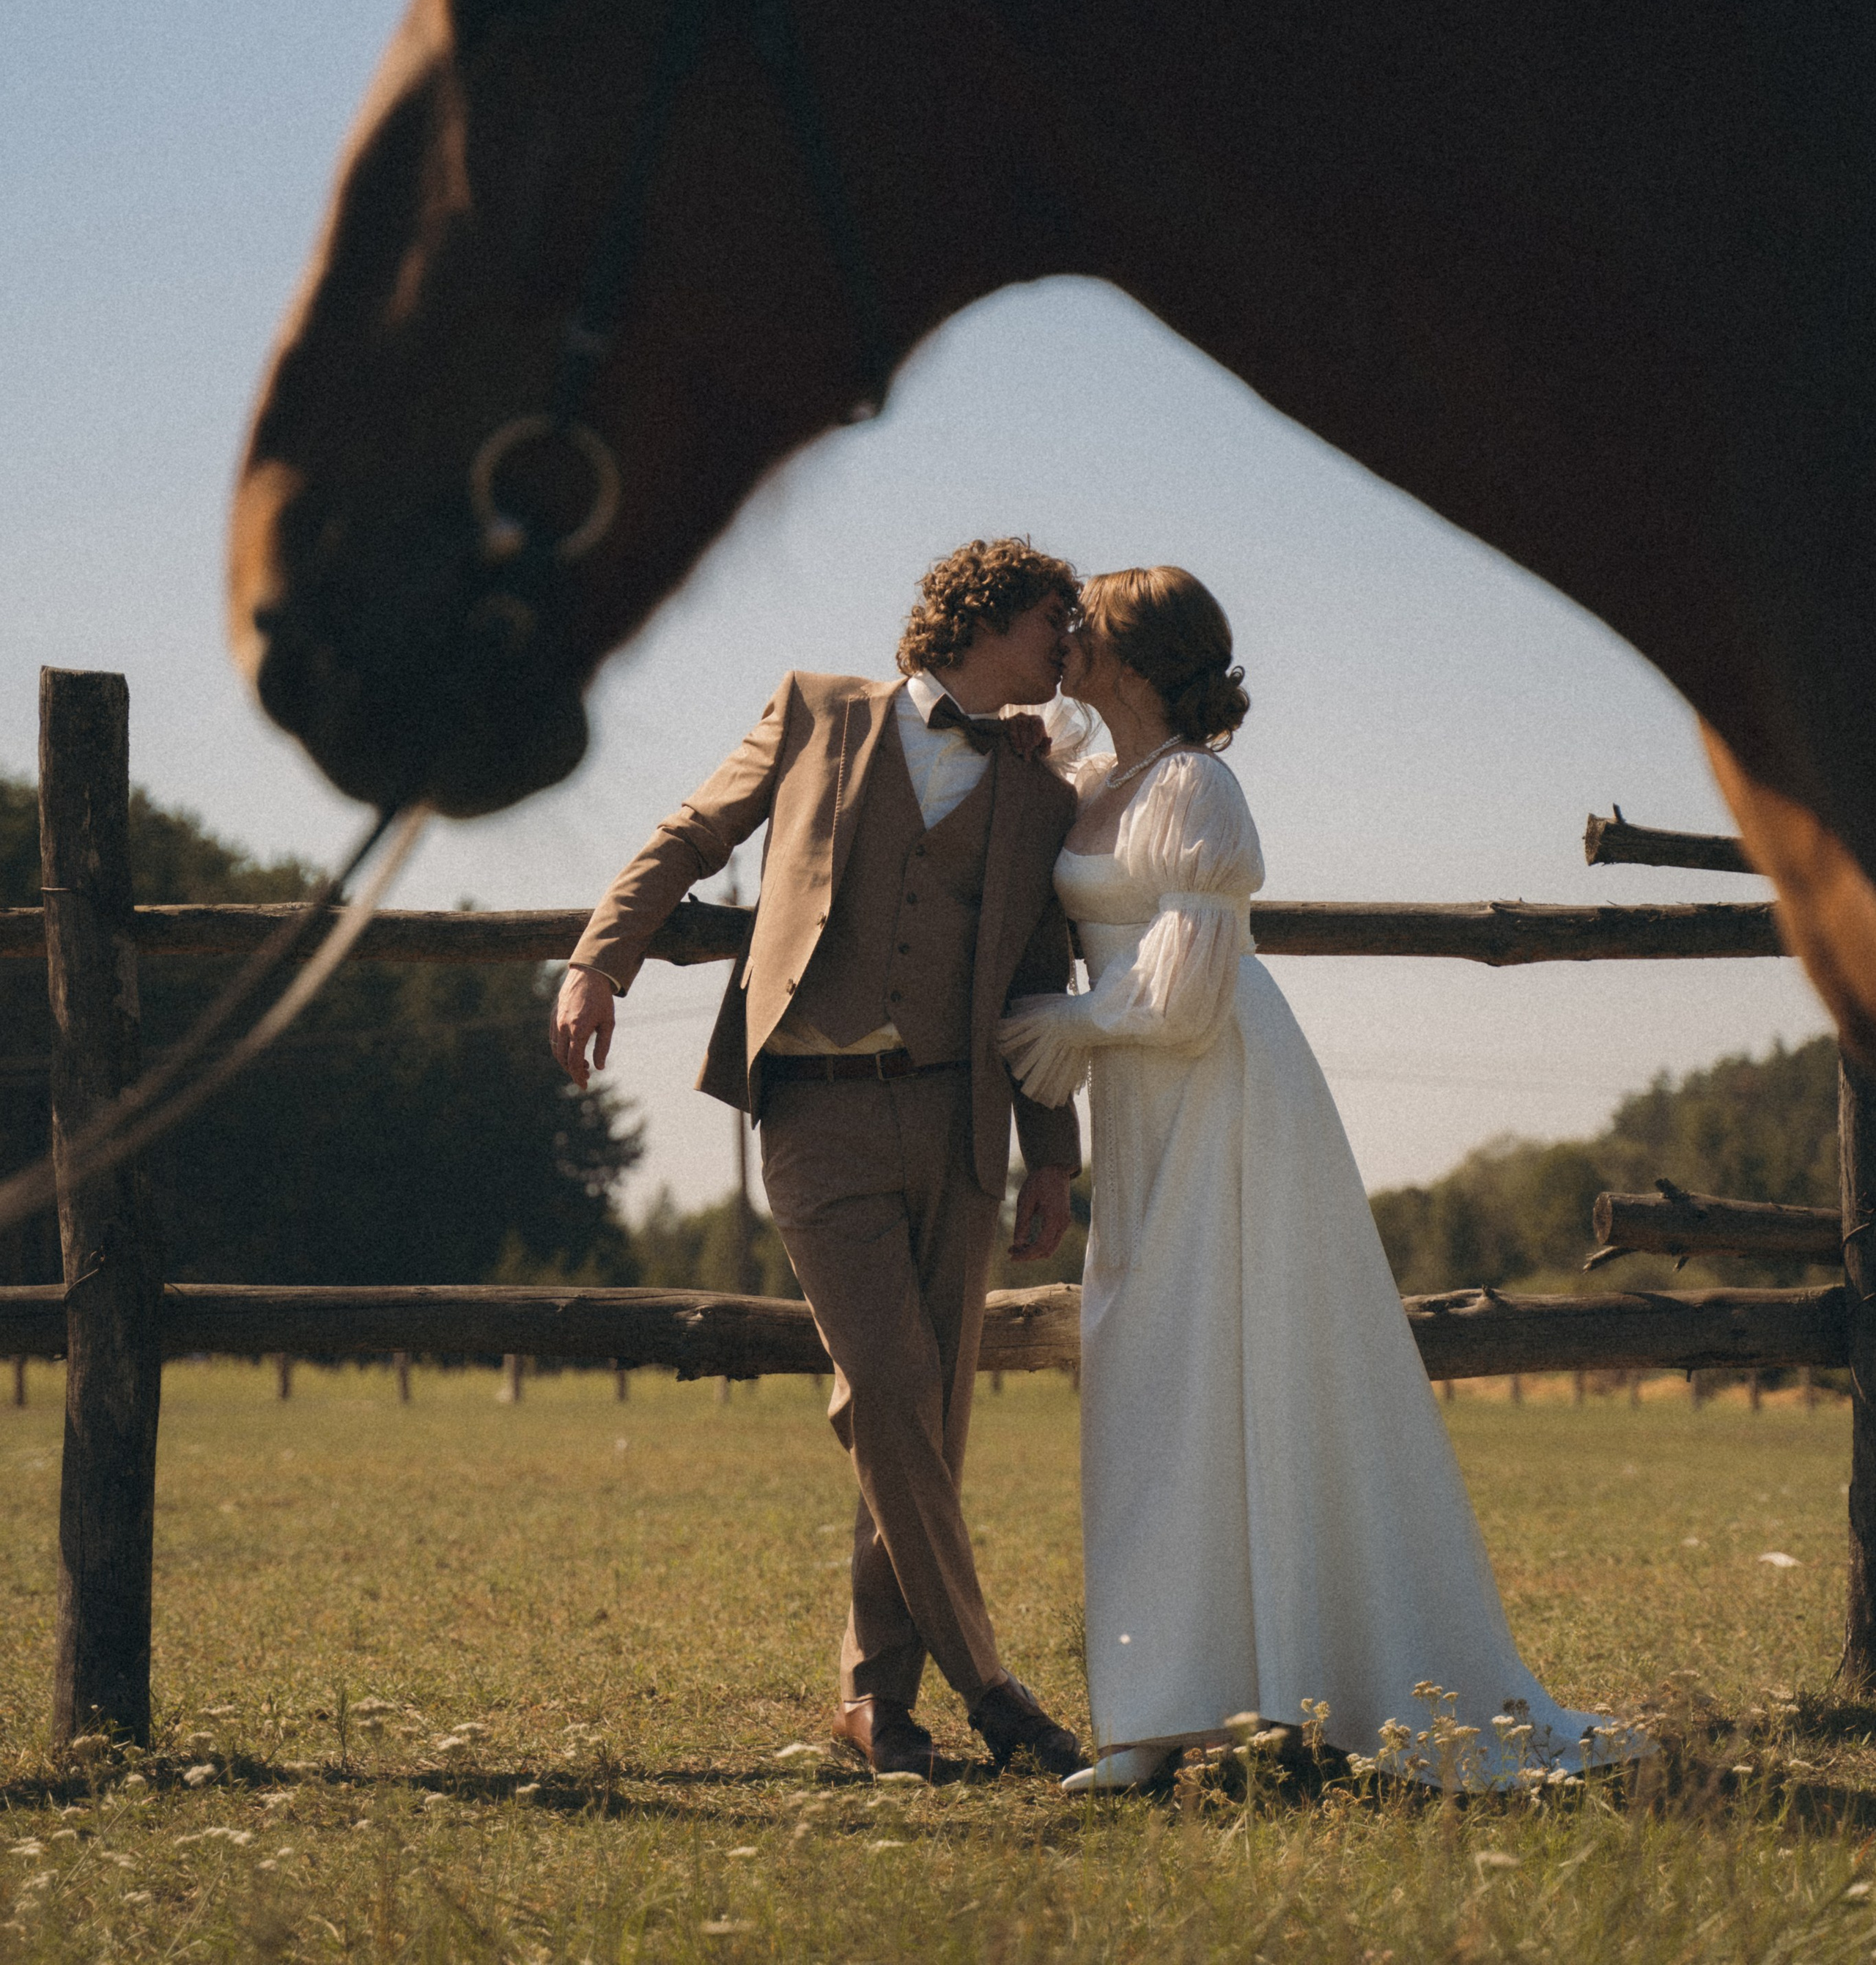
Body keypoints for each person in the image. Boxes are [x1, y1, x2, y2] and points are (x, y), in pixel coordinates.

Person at [998, 566, 1631, 1794]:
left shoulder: (1193, 786)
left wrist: (1062, 1023)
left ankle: (1310, 1676)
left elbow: (1183, 1004)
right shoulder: (1094, 775)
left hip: (1222, 1088)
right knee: (1148, 1370)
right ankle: (1155, 1710)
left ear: (1135, 655)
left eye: (1088, 627)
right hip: (1142, 1106)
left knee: (1238, 1363)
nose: (1067, 640)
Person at [552, 538, 1090, 1784]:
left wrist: (1053, 1157)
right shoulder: (815, 713)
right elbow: (690, 835)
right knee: (895, 1390)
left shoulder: (1040, 791)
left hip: (962, 1131)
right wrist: (598, 958)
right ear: (985, 617)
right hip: (818, 1114)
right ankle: (994, 1688)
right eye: (1054, 625)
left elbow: (1033, 979)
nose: (1070, 650)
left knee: (919, 1420)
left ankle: (875, 1706)